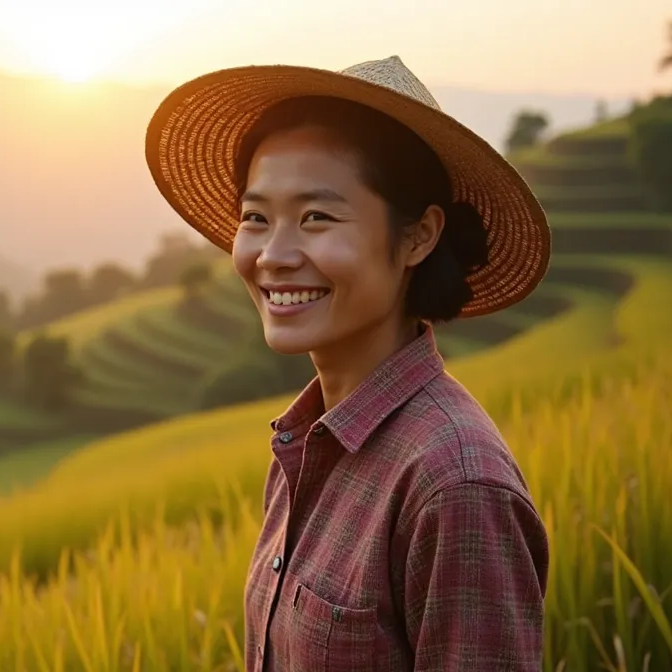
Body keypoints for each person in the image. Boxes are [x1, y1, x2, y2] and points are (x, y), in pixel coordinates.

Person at [144, 56, 552, 671]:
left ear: (418, 236)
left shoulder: (455, 486)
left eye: (317, 218)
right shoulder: (302, 444)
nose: (274, 255)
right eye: (256, 218)